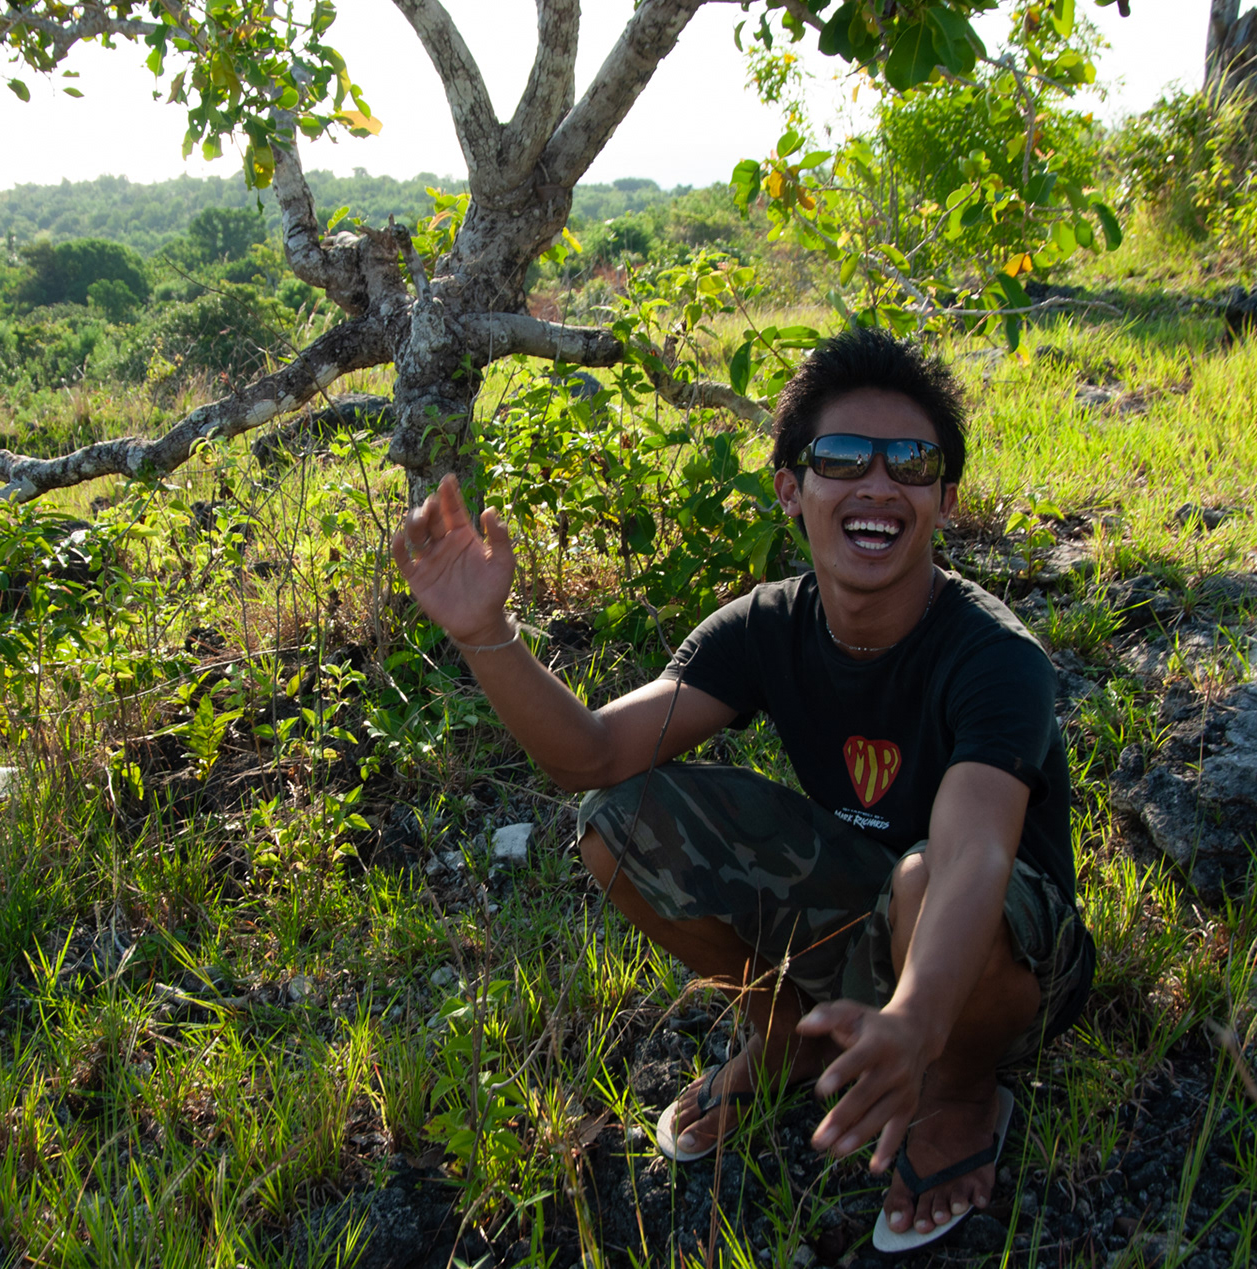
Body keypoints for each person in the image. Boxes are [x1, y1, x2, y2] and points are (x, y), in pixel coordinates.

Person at [391, 328, 1094, 1251]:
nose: (878, 485)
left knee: (925, 874)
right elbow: (593, 756)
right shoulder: (766, 627)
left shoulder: (995, 656)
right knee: (618, 821)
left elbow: (974, 851)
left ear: (945, 499)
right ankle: (789, 1031)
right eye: (842, 458)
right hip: (870, 910)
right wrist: (487, 634)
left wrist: (918, 1020)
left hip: (1007, 963)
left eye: (912, 463)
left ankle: (961, 1092)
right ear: (791, 489)